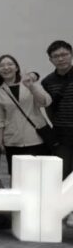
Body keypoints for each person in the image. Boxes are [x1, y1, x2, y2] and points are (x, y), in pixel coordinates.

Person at [0, 54, 52, 172]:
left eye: (10, 64)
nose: (6, 67)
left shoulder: (29, 83)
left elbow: (45, 102)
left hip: (36, 138)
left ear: (16, 68)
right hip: (12, 140)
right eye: (1, 65)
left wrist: (32, 87)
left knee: (39, 174)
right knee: (17, 175)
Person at [40, 40, 73, 227]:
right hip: (61, 134)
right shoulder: (47, 82)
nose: (61, 59)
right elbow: (49, 109)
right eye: (56, 56)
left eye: (64, 54)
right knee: (62, 173)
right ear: (50, 59)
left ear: (71, 54)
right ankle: (61, 210)